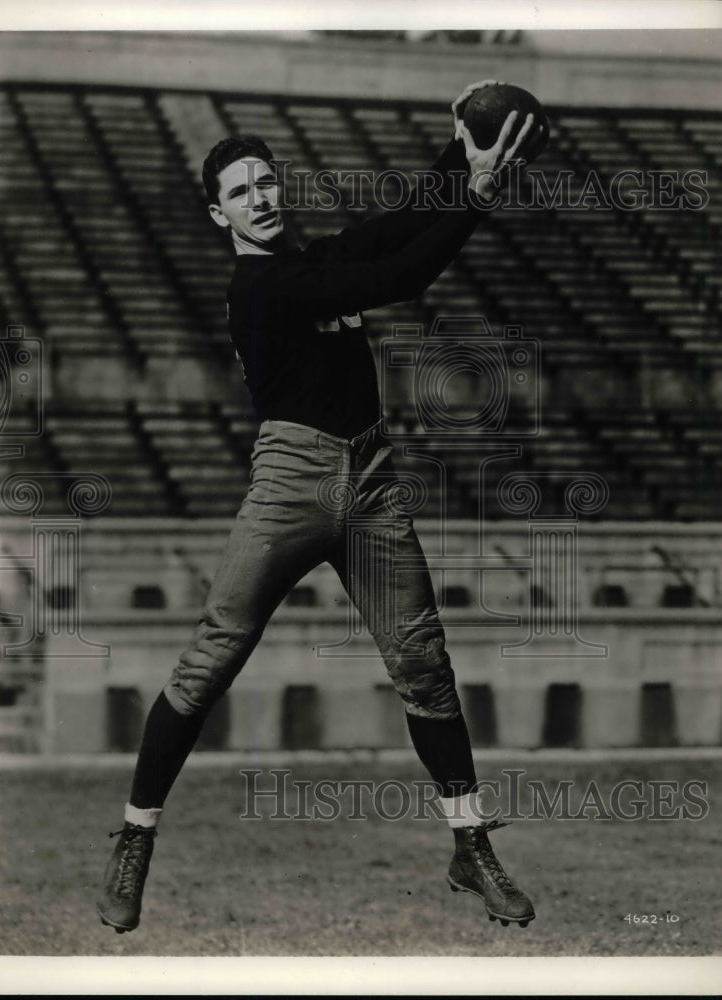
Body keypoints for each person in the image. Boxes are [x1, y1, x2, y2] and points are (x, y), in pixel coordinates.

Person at [97, 80, 541, 934]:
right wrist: (478, 203)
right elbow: (406, 274)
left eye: (267, 182)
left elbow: (404, 224)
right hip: (292, 480)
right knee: (210, 660)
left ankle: (469, 840)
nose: (259, 199)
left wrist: (460, 153)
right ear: (219, 216)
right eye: (240, 193)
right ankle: (136, 835)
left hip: (370, 476)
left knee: (424, 663)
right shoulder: (258, 288)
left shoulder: (315, 262)